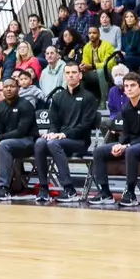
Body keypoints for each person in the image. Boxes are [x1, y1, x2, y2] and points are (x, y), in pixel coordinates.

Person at [32, 63, 97, 203]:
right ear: (64, 76)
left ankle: (69, 189)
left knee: (53, 143)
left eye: (74, 72)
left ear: (80, 75)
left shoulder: (89, 97)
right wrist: (52, 132)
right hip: (59, 140)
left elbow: (86, 125)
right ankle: (44, 188)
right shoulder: (58, 97)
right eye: (67, 73)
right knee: (40, 142)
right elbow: (54, 122)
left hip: (80, 141)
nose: (71, 75)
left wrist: (64, 134)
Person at [90, 71, 140, 207]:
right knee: (98, 151)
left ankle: (130, 193)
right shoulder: (126, 108)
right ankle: (105, 192)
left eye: (132, 85)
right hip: (130, 144)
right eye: (126, 86)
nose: (129, 89)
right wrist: (119, 144)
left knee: (131, 151)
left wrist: (126, 146)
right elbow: (125, 133)